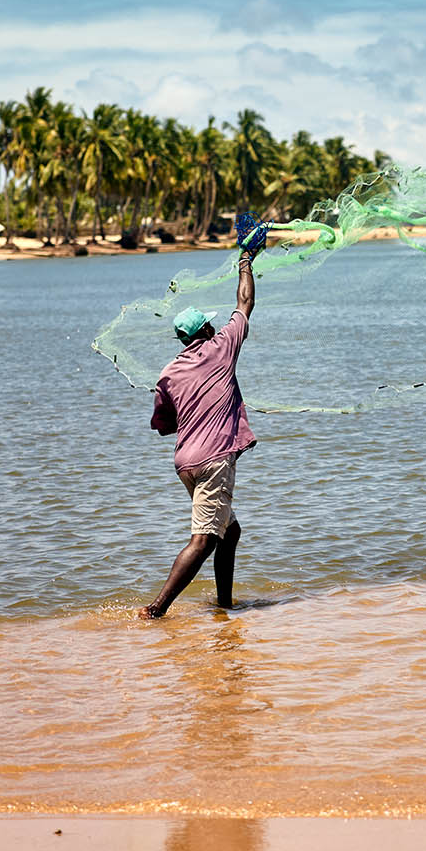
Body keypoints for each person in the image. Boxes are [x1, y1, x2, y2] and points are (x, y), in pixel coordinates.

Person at [139, 243, 257, 619]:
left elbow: (162, 426)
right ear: (206, 330)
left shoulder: (169, 373)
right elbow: (245, 302)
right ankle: (156, 610)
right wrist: (245, 260)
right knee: (205, 539)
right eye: (210, 323)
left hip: (185, 464)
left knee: (230, 531)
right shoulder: (222, 346)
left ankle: (224, 605)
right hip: (214, 460)